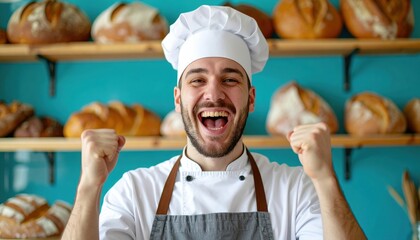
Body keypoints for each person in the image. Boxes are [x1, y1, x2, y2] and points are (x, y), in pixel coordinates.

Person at [62, 5, 367, 240]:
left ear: (250, 99)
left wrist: (325, 179)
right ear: (179, 99)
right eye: (198, 80)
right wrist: (89, 187)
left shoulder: (294, 188)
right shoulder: (135, 192)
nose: (214, 94)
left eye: (229, 79)